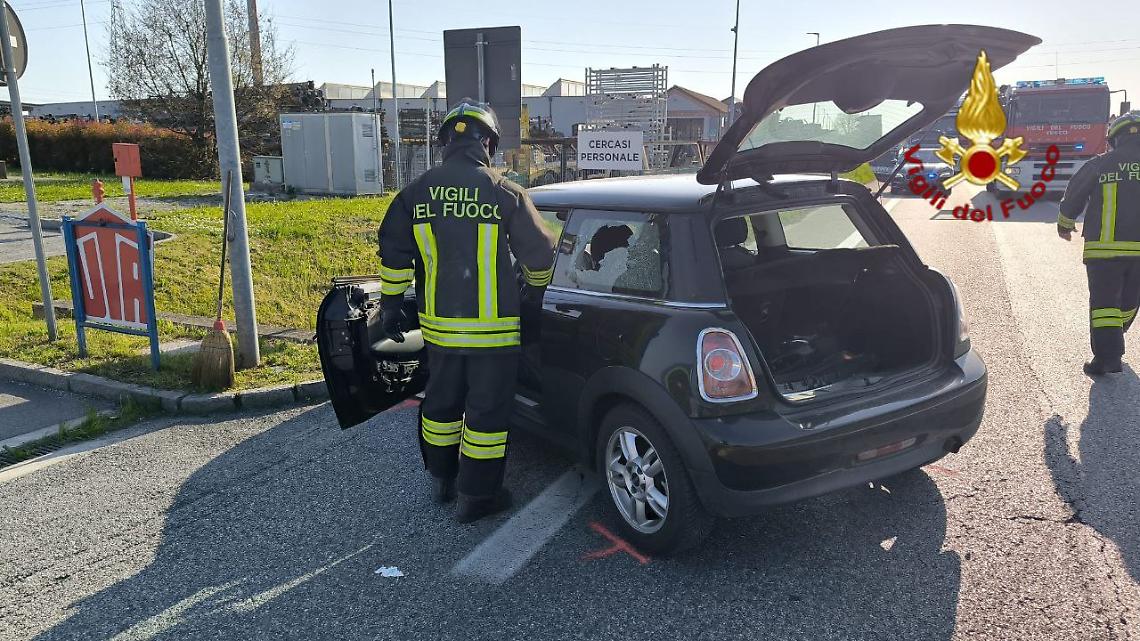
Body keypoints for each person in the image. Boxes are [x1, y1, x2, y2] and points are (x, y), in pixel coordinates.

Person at [376, 100, 556, 522]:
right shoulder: (504, 192)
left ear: (443, 145)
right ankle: (476, 498)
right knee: (486, 417)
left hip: (440, 332)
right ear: (488, 143)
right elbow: (542, 253)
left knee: (440, 405)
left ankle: (441, 480)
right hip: (493, 338)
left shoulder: (414, 193)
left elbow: (394, 255)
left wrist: (390, 306)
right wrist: (533, 294)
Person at [1057, 112, 1140, 376]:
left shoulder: (1101, 164)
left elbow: (1075, 191)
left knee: (1105, 306)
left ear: (1115, 138)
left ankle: (1107, 356)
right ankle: (1114, 339)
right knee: (1129, 302)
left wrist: (1065, 223)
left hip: (1103, 251)